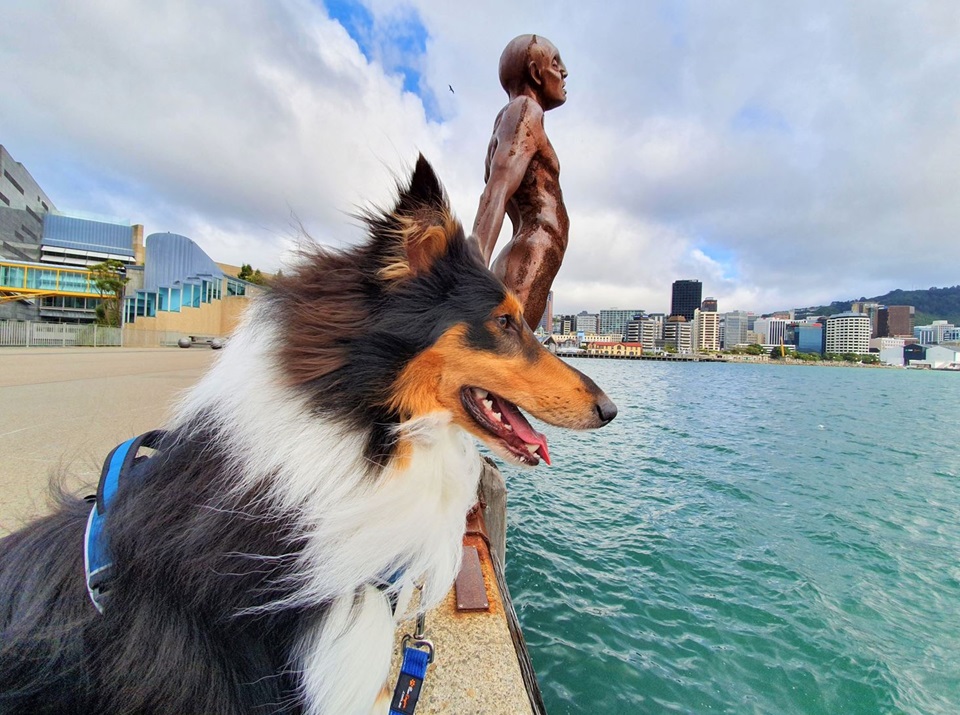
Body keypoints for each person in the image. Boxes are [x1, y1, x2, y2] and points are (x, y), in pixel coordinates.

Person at [473, 34, 569, 329]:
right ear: (535, 72)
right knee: (509, 354)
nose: (564, 72)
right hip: (532, 252)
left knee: (505, 349)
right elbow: (497, 190)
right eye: (555, 63)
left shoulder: (514, 117)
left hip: (526, 251)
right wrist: (472, 264)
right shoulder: (526, 110)